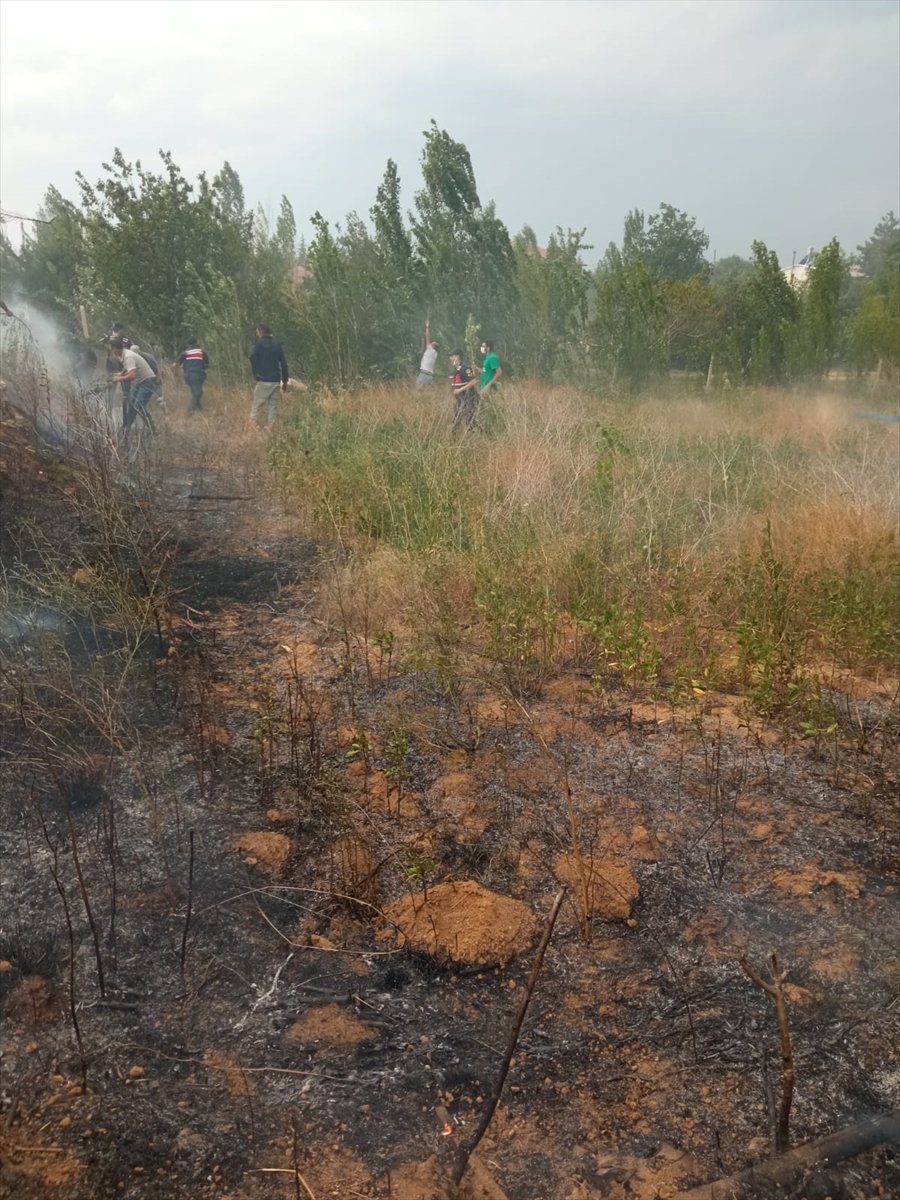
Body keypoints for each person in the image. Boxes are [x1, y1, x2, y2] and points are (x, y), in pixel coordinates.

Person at [109, 336, 158, 433]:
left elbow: (132, 376)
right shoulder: (124, 354)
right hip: (140, 381)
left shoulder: (128, 356)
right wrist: (121, 374)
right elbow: (128, 367)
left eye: (111, 349)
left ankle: (153, 430)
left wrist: (119, 378)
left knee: (138, 406)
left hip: (147, 381)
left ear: (115, 349)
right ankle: (126, 428)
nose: (111, 351)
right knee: (131, 405)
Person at [249, 324, 289, 428]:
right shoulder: (277, 344)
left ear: (261, 332)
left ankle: (253, 426)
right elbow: (284, 363)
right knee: (273, 405)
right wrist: (284, 381)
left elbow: (252, 356)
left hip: (264, 379)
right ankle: (271, 426)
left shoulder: (259, 344)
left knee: (257, 404)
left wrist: (256, 373)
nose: (257, 334)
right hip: (276, 380)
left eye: (257, 332)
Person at [175, 342, 210, 413]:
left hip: (187, 376)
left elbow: (176, 364)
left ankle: (200, 410)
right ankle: (189, 411)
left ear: (189, 345)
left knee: (196, 393)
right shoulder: (202, 352)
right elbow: (207, 365)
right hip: (197, 375)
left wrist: (176, 376)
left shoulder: (185, 353)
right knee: (198, 393)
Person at [449, 348, 478, 430]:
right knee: (455, 420)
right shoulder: (456, 370)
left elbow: (474, 381)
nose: (450, 358)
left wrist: (460, 390)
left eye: (452, 356)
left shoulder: (465, 368)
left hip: (468, 398)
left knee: (470, 422)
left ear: (457, 357)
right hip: (460, 400)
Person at [416, 321, 439, 388]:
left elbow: (427, 337)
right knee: (427, 393)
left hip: (424, 374)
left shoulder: (430, 349)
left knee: (418, 391)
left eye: (432, 343)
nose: (431, 343)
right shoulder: (435, 354)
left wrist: (427, 327)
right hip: (430, 376)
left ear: (433, 346)